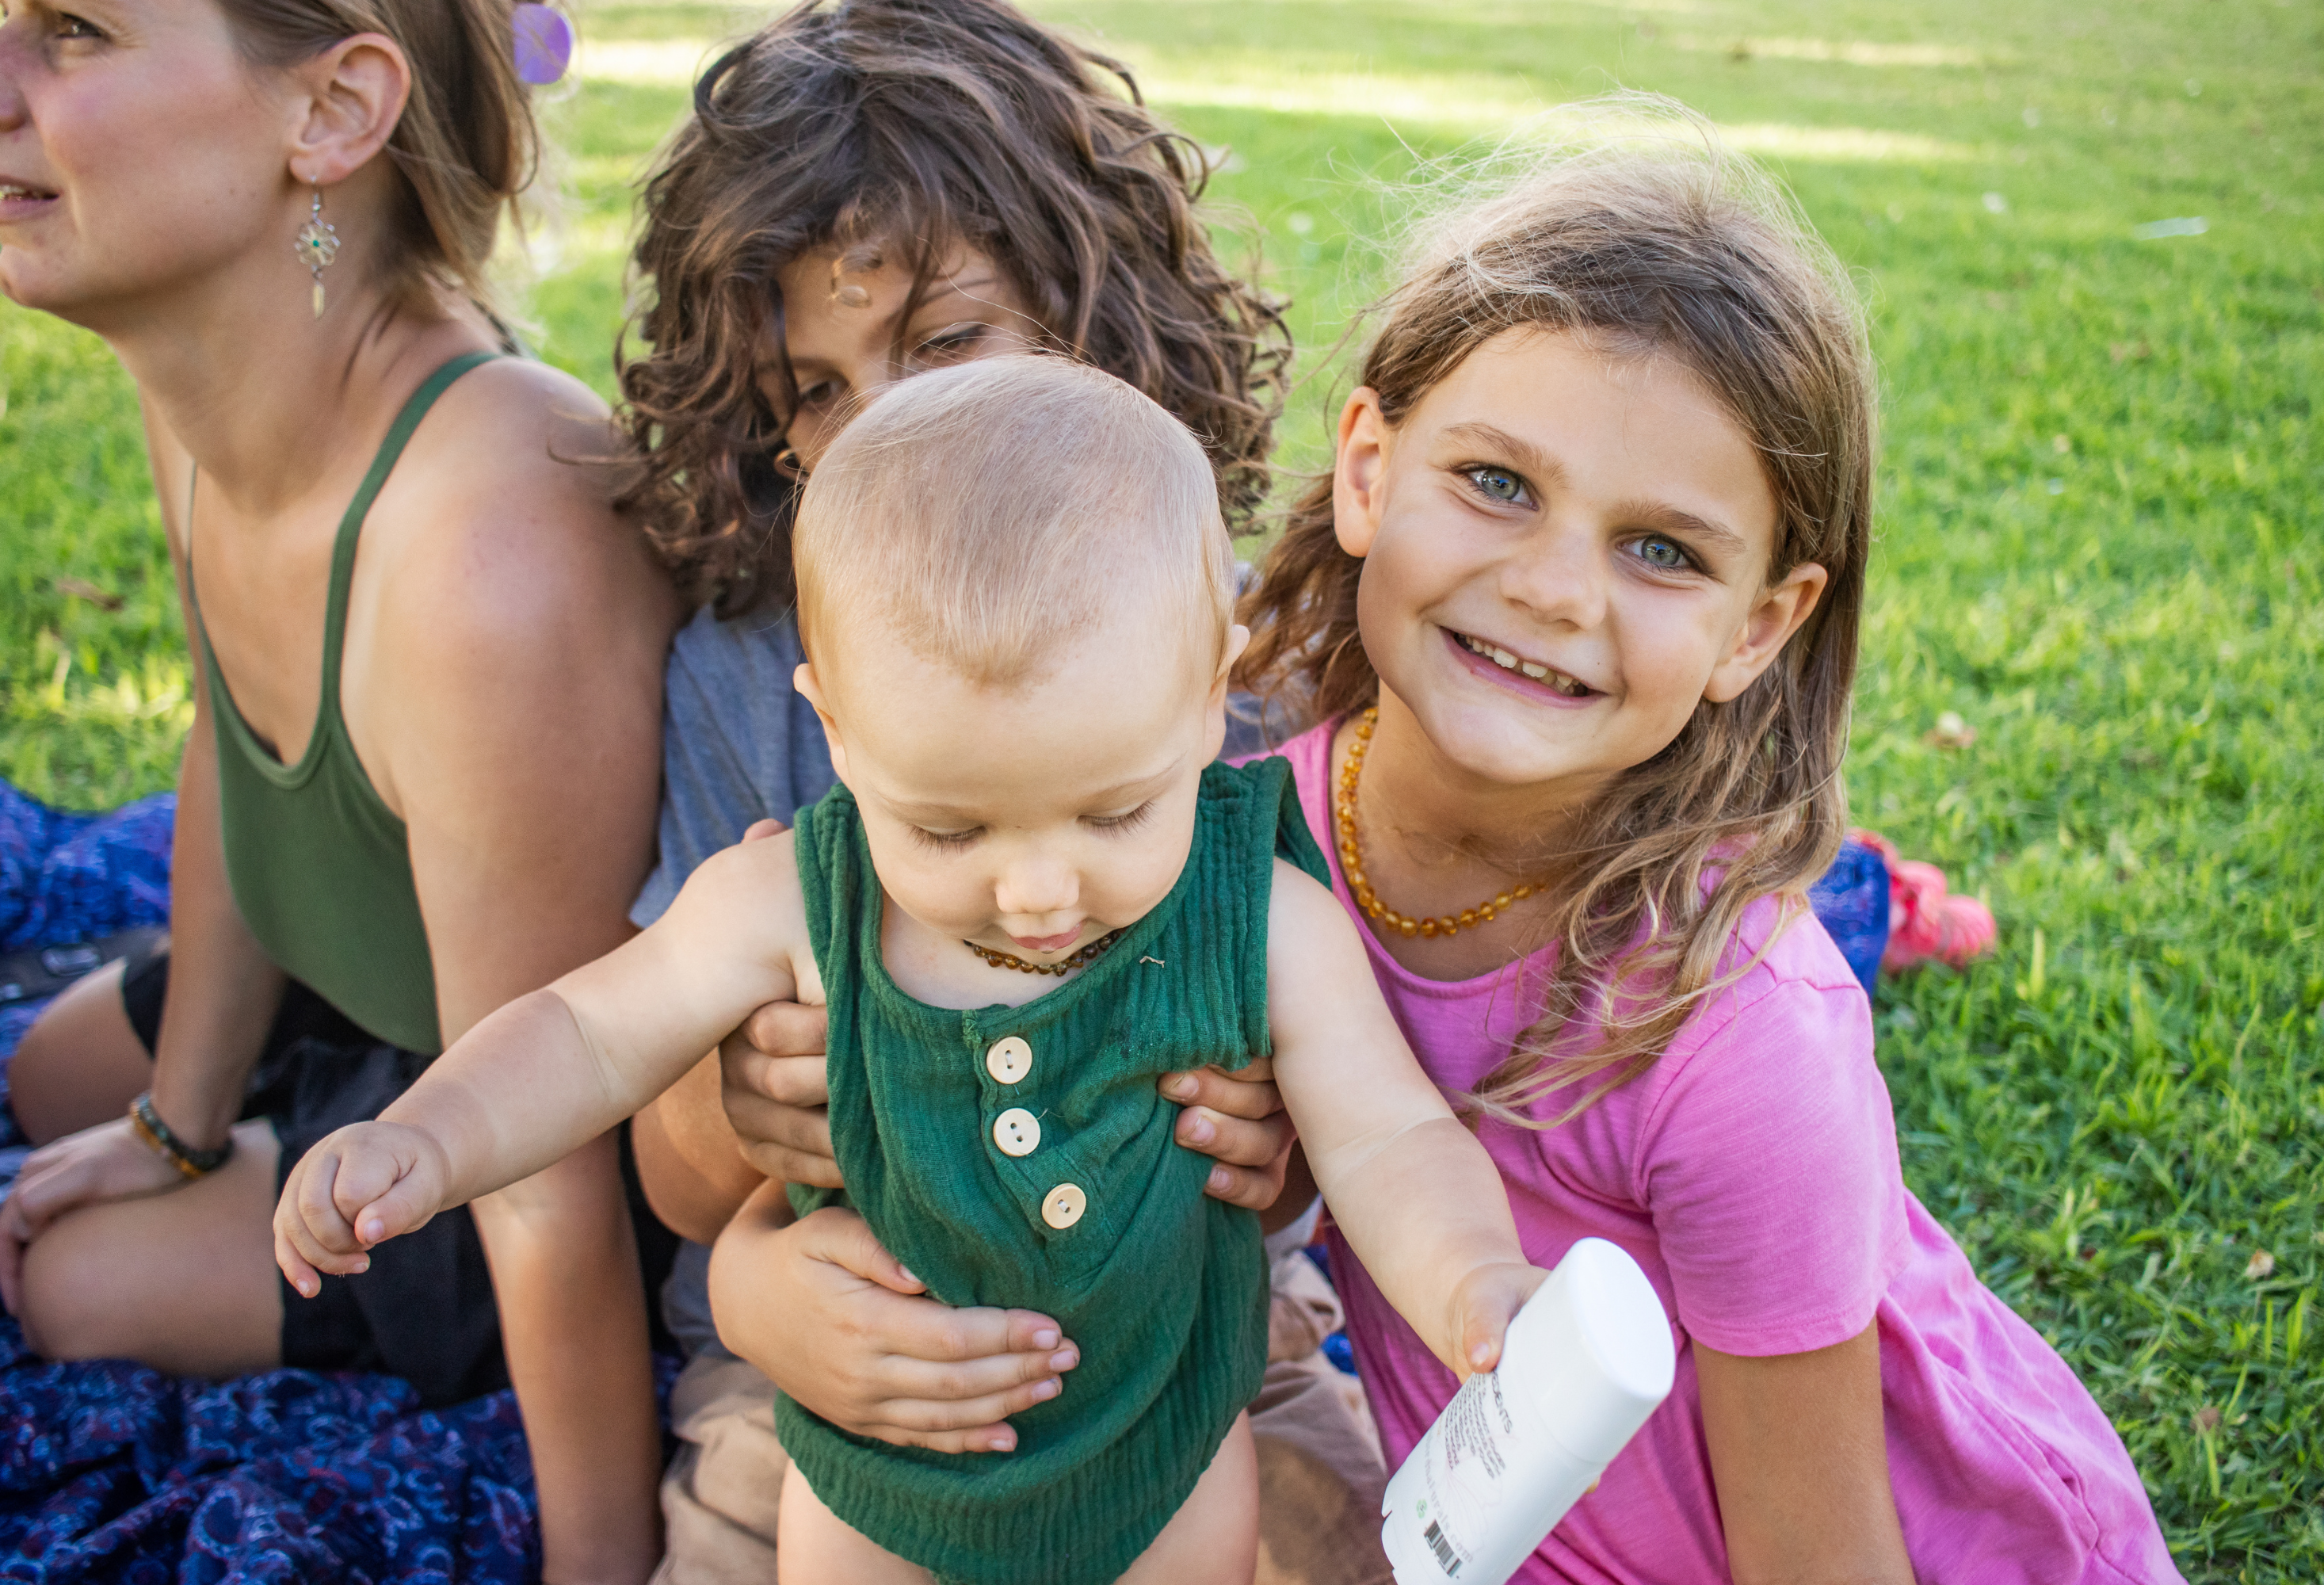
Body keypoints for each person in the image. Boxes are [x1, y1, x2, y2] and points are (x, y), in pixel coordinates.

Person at [276, 357, 1545, 1585]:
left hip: (1161, 1455)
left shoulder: (1261, 917)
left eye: (1114, 814)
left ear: (1214, 693)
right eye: (950, 829)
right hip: (885, 1475)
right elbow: (590, 1035)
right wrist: (428, 1137)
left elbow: (1386, 1141)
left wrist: (1473, 1282)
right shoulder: (791, 900)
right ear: (836, 727)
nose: (1040, 891)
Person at [1218, 111, 2187, 1582]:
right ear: (1367, 467)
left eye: (1660, 549)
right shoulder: (1252, 841)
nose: (1551, 589)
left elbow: (1823, 1559)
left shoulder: (1736, 1035)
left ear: (1758, 627)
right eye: (1496, 481)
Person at [605, 5, 1367, 1576]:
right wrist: (746, 1206)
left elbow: (1377, 1105)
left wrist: (1292, 1128)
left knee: (1347, 1539)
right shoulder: (753, 681)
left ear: (1104, 318)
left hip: (1204, 1363)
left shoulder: (1245, 664)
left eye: (945, 343)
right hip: (834, 1373)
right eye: (815, 387)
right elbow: (667, 1167)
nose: (885, 423)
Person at [0, 2, 682, 1577]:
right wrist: (176, 1119)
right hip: (375, 956)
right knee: (52, 1081)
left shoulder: (489, 547)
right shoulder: (219, 376)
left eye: (74, 32)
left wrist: (601, 1560)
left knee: (68, 1281)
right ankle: (225, 1125)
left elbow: (551, 1149)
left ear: (332, 112)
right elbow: (236, 752)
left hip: (523, 1104)